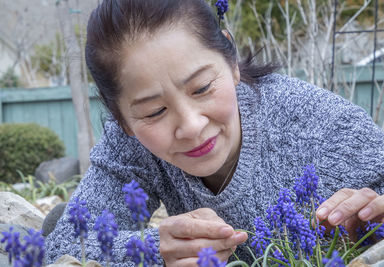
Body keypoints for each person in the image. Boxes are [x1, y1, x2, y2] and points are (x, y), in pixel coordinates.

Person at [45, 0, 384, 266]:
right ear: (121, 118)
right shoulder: (129, 142)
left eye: (202, 87)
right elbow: (65, 244)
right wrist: (154, 248)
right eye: (154, 111)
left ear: (231, 60)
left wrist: (373, 226)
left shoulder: (324, 124)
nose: (191, 125)